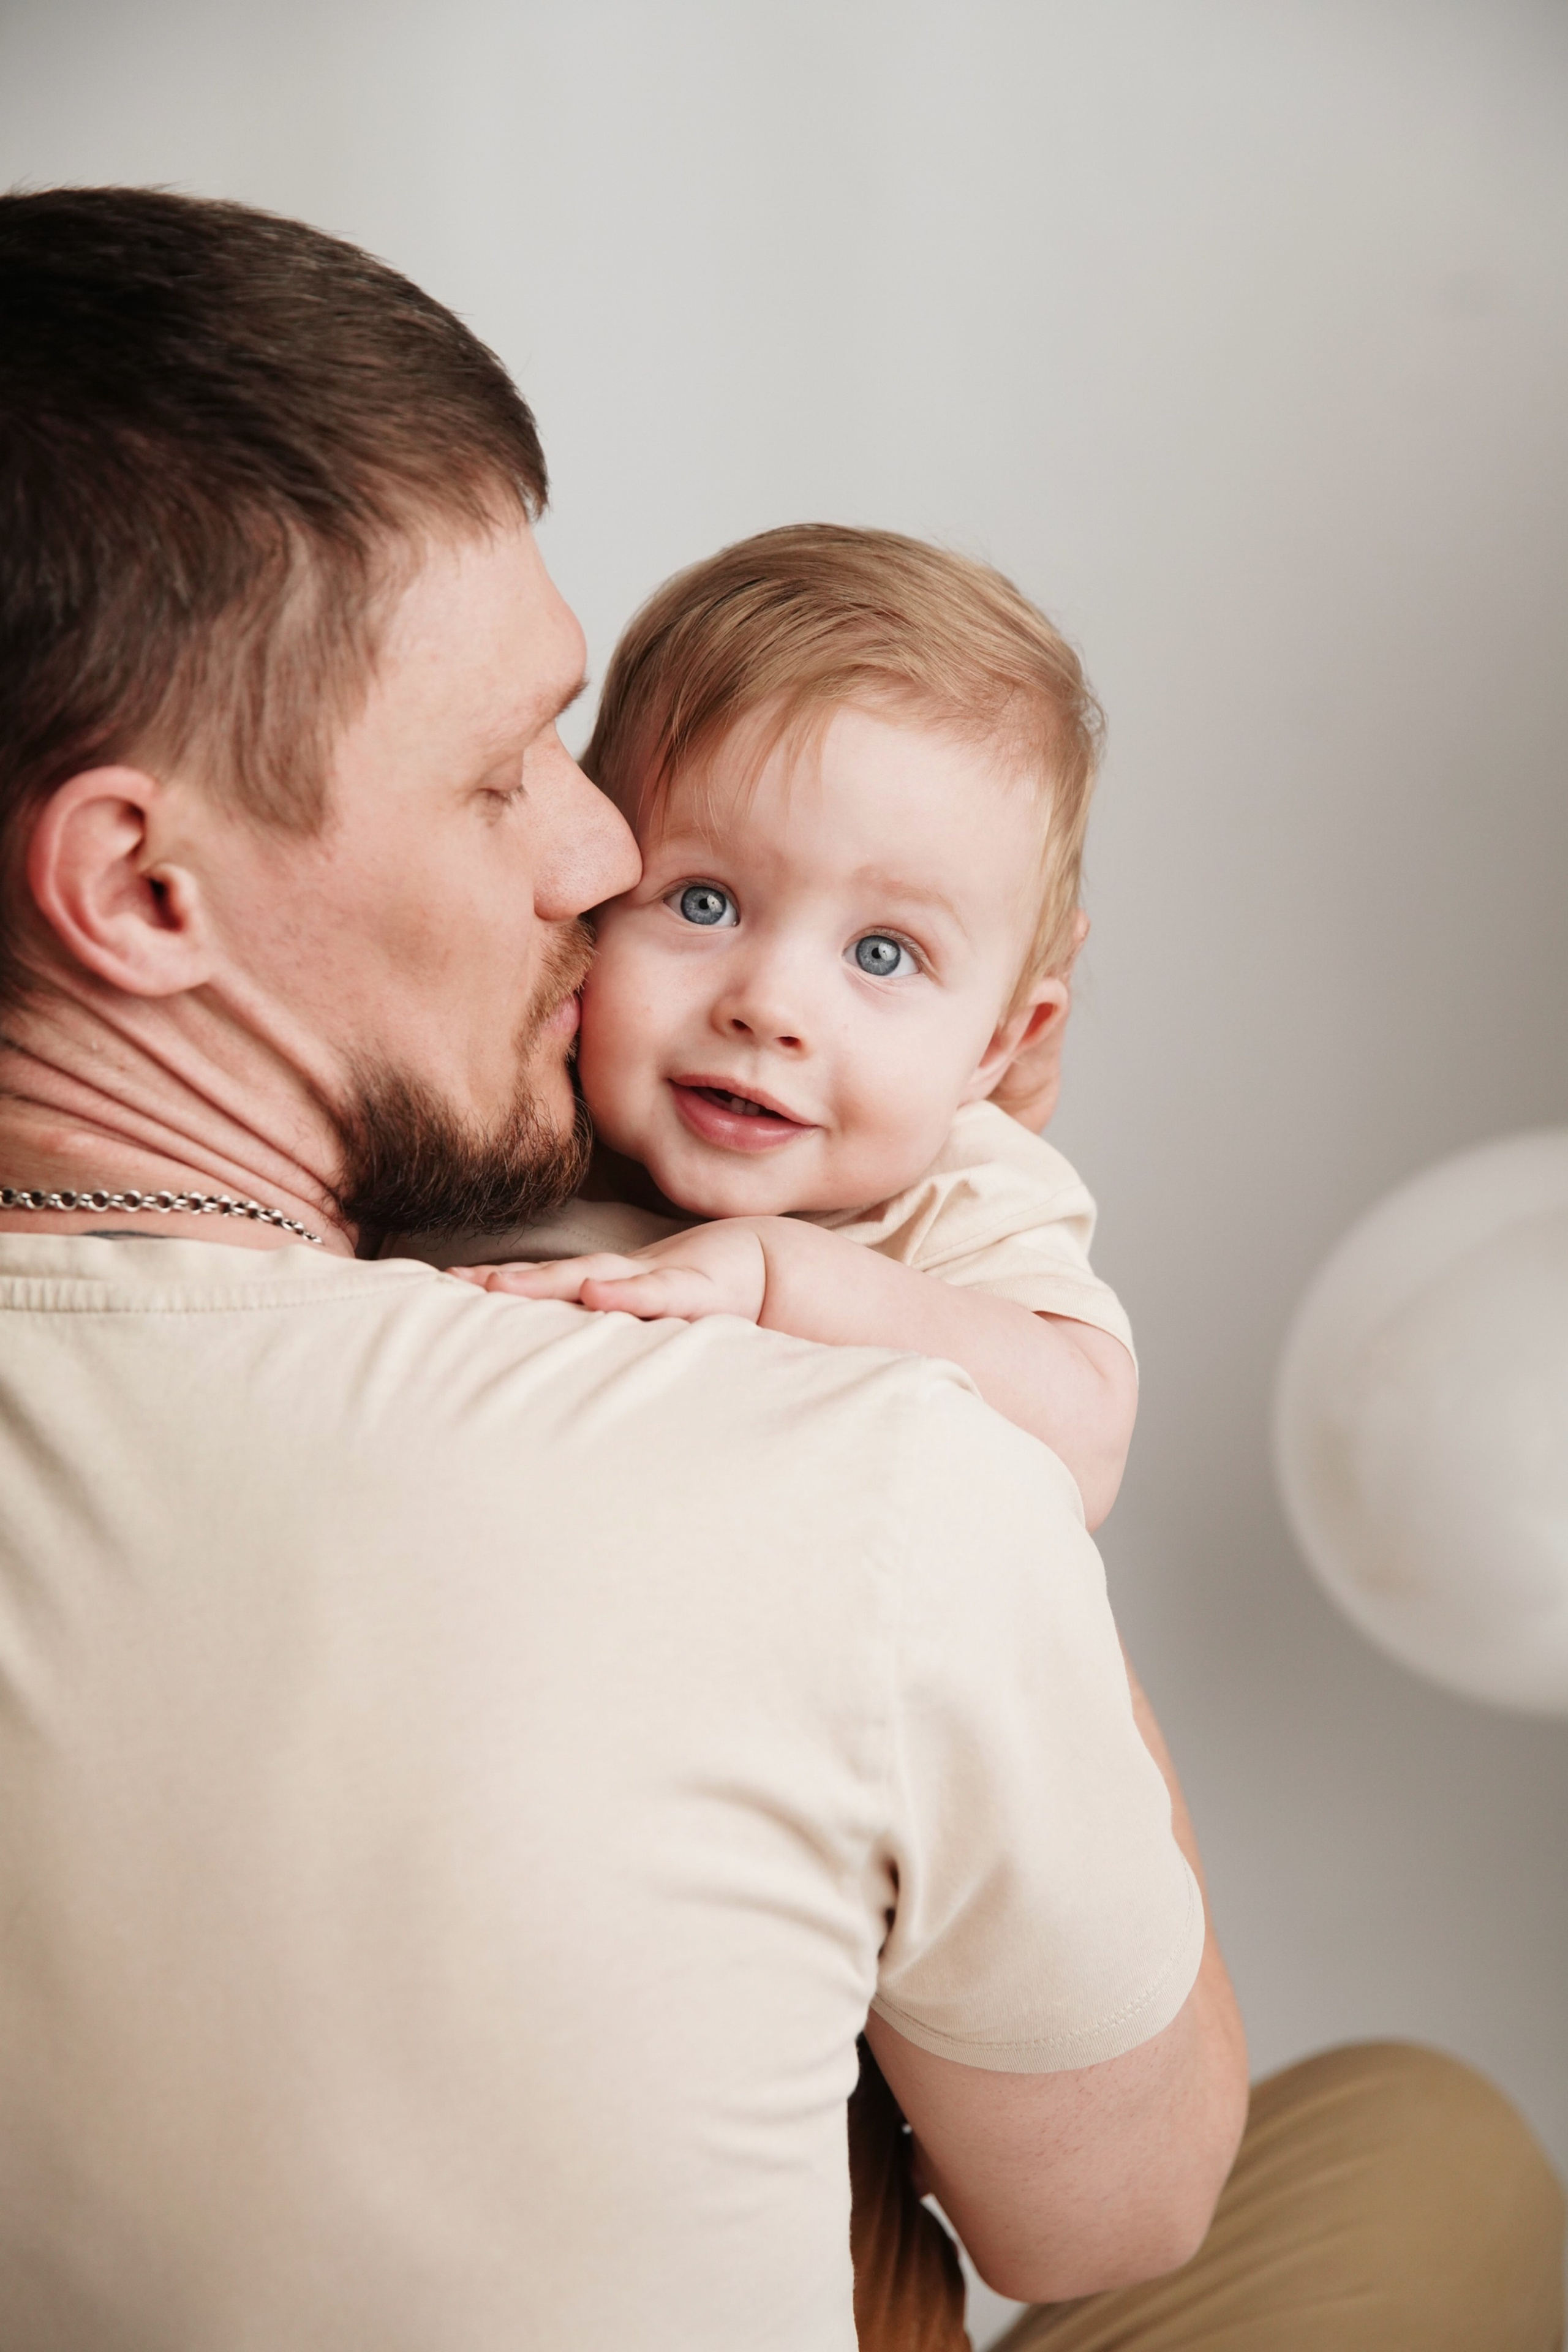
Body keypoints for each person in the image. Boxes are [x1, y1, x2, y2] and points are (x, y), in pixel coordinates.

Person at [0, 189, 1558, 2352]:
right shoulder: (866, 1465)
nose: (597, 859)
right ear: (141, 890)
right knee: (1421, 2142)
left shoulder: (912, 1275)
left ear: (1014, 1033)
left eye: (889, 948)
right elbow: (1110, 2213)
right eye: (499, 779)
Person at [429, 523, 1138, 1530]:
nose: (768, 1007)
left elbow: (1089, 1437)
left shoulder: (960, 1189)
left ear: (995, 1046)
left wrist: (779, 1276)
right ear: (598, 890)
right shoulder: (514, 1108)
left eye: (883, 953)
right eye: (704, 902)